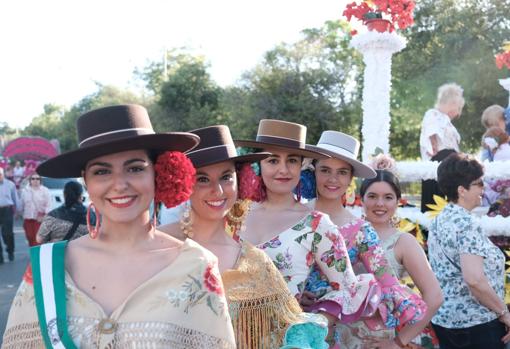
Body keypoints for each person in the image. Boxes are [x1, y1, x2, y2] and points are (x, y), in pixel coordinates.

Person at [2, 105, 236, 348]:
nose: (119, 184)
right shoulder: (48, 266)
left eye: (134, 168)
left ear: (160, 174)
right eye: (102, 172)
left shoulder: (196, 265)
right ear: (87, 182)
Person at [236, 120, 425, 346]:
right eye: (273, 160)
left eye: (292, 160)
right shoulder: (236, 214)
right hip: (236, 334)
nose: (283, 169)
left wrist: (315, 318)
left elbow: (352, 288)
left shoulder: (318, 224)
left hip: (293, 338)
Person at [160, 125, 329, 348]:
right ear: (183, 183)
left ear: (241, 180)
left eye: (226, 177)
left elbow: (286, 331)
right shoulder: (157, 244)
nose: (218, 191)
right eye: (202, 179)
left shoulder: (254, 262)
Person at [298, 131, 428, 348]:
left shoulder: (361, 231)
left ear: (350, 179)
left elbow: (389, 286)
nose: (333, 179)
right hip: (288, 326)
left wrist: (398, 342)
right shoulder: (293, 218)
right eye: (325, 170)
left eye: (341, 172)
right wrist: (293, 294)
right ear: (313, 171)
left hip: (335, 337)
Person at [428, 152, 510, 349]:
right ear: (462, 190)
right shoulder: (467, 223)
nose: (484, 188)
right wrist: (504, 313)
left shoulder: (439, 220)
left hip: (446, 321)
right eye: (479, 183)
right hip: (476, 326)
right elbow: (474, 279)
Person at [359, 167, 443, 349]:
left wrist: (398, 342)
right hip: (338, 336)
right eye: (372, 196)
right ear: (361, 199)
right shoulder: (346, 233)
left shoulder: (404, 242)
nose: (379, 203)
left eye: (388, 197)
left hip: (380, 339)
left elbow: (435, 296)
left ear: (398, 201)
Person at [419, 83, 464, 161]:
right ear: (451, 103)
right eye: (458, 108)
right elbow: (431, 128)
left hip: (449, 154)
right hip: (438, 154)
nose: (458, 113)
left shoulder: (446, 121)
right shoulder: (433, 114)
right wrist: (433, 146)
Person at [20, 173, 51, 246]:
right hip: (28, 219)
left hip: (40, 220)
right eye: (33, 178)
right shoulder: (25, 191)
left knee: (37, 240)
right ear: (30, 180)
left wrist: (44, 216)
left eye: (37, 179)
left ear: (40, 180)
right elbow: (21, 204)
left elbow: (49, 205)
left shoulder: (45, 190)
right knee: (30, 238)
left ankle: (37, 256)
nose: (35, 180)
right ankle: (34, 254)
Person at [0, 167, 20, 263]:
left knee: (7, 233)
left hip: (7, 210)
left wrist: (17, 211)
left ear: (3, 174)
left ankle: (10, 251)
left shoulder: (10, 184)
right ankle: (0, 257)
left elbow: (15, 198)